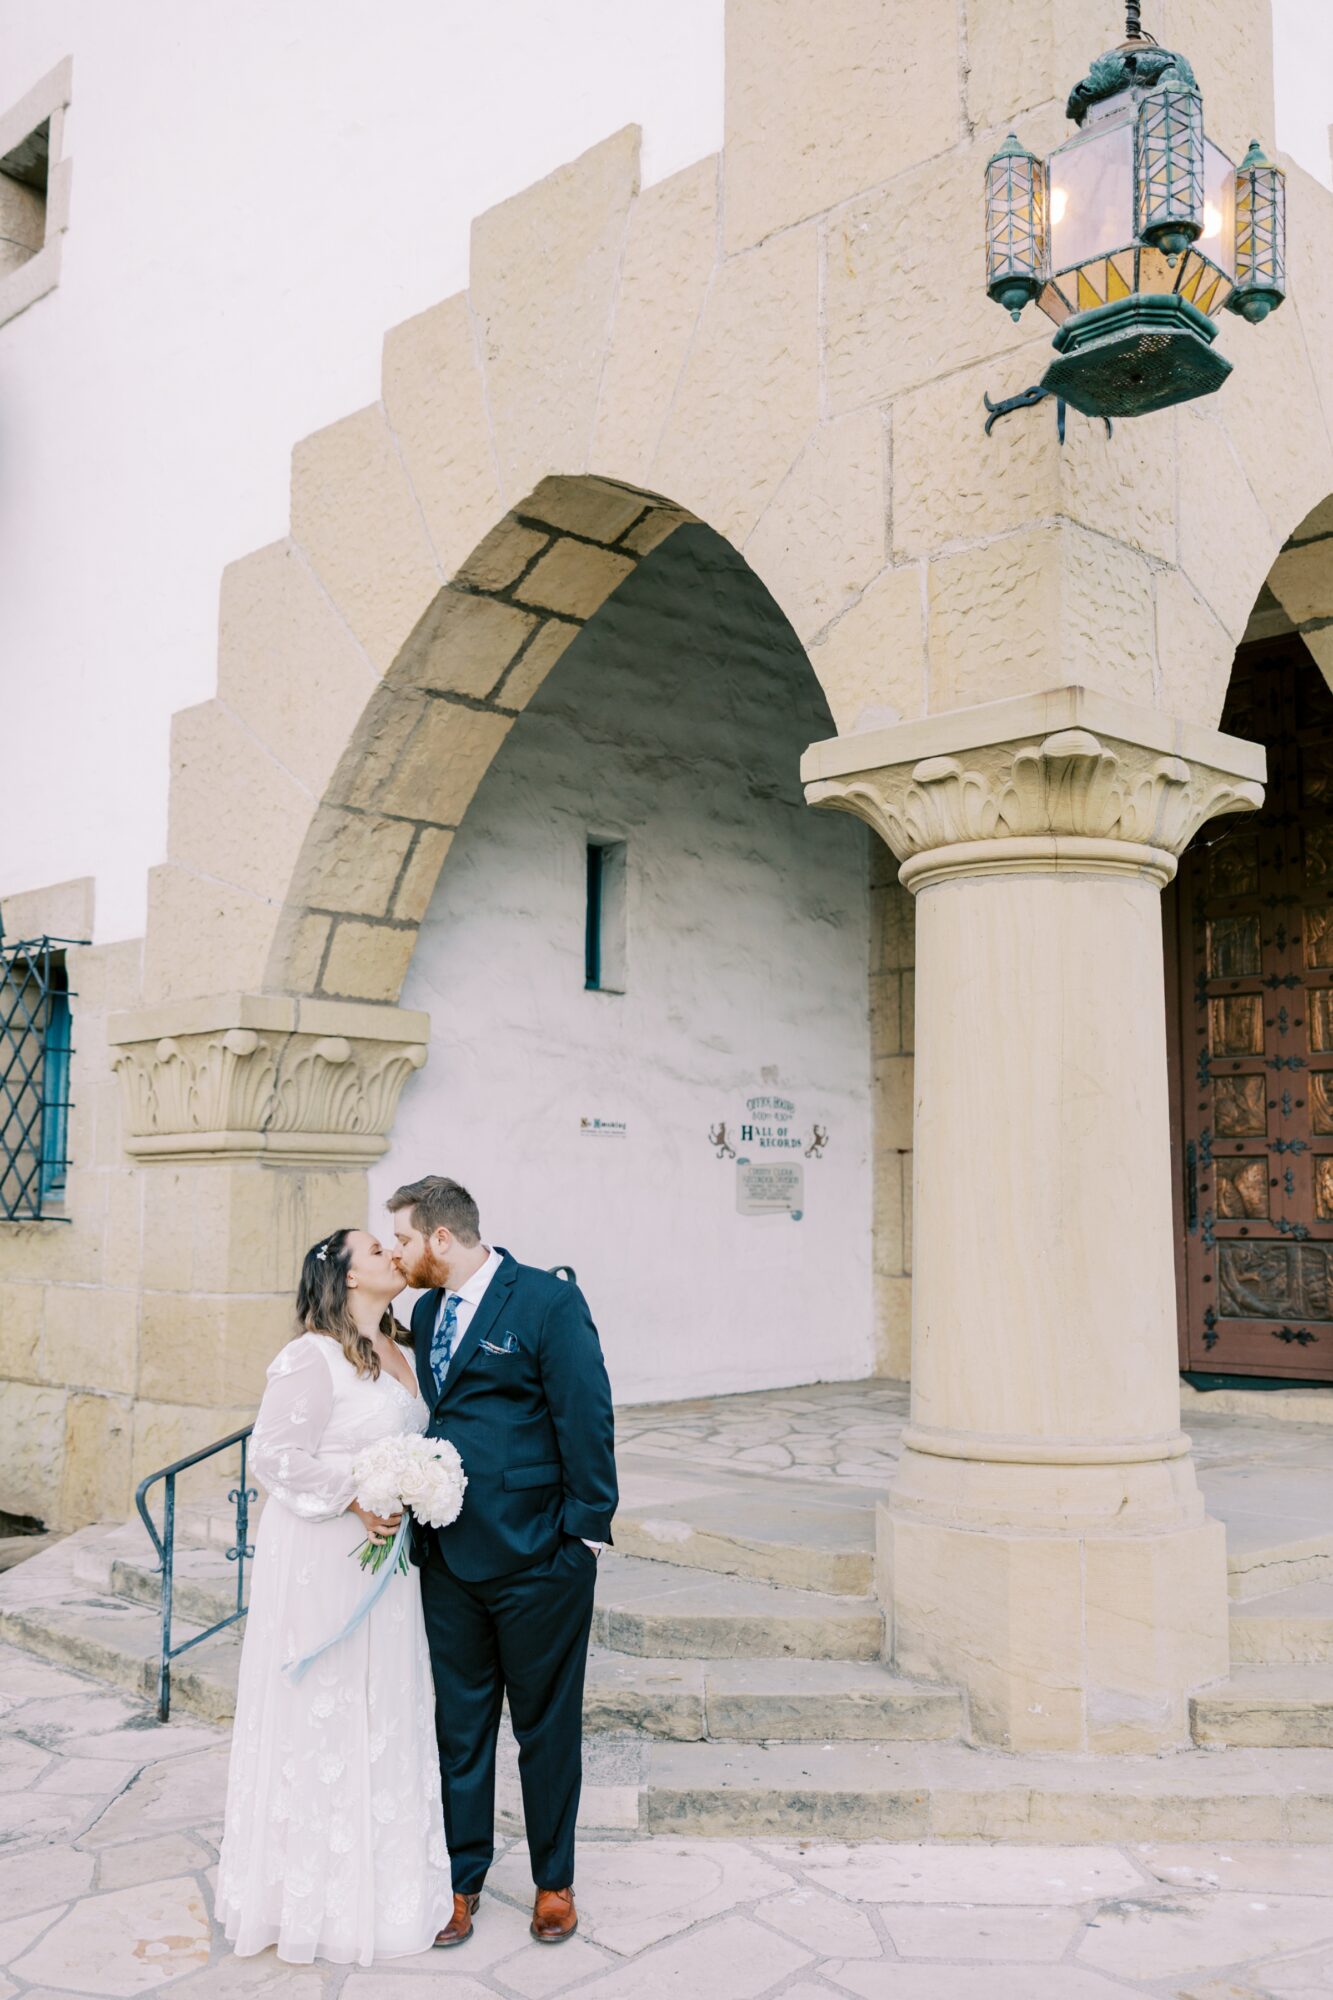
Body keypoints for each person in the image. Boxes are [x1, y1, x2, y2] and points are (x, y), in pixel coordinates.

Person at [388, 1175, 618, 1949]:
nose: (399, 1255)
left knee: (546, 1729)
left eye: (405, 1241)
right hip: (448, 1558)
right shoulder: (424, 1311)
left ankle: (554, 1882)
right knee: (460, 1727)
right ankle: (462, 1881)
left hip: (536, 1559)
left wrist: (582, 1536)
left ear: (441, 1240)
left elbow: (585, 1412)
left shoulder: (546, 1302)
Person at [216, 1229, 453, 1965]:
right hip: (324, 1555)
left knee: (382, 1703)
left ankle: (381, 1888)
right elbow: (274, 1456)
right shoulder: (310, 1355)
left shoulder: (398, 1351)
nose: (393, 1256)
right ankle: (305, 1894)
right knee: (326, 1703)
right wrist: (355, 1494)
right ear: (346, 1278)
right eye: (377, 1250)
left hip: (386, 1565)